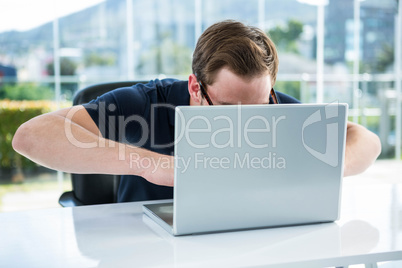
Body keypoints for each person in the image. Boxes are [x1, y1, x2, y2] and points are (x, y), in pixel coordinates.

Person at [12, 20, 381, 202]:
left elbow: (364, 140)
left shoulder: (271, 106)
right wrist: (153, 165)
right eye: (227, 109)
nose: (246, 123)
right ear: (195, 87)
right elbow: (30, 136)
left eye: (259, 107)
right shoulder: (145, 104)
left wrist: (319, 169)